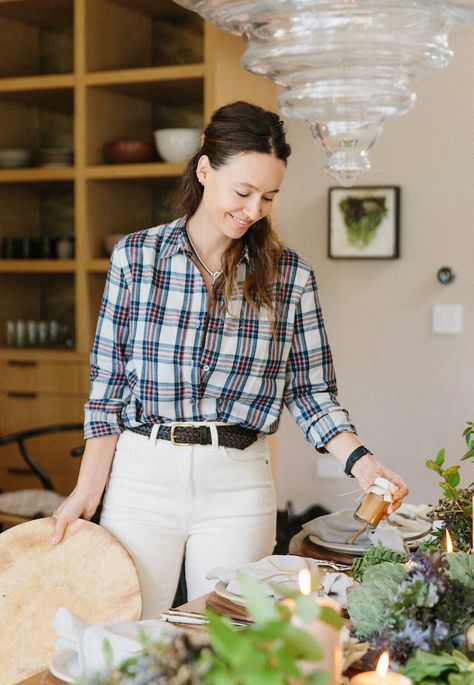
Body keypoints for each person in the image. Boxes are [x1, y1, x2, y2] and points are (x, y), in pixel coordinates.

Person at [52, 101, 409, 616]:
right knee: (130, 635)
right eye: (242, 192)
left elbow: (311, 393)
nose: (254, 210)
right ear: (204, 170)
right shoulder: (137, 258)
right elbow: (107, 387)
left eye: (268, 196)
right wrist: (88, 491)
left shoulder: (290, 276)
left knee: (232, 637)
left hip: (238, 485)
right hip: (142, 477)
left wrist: (362, 462)